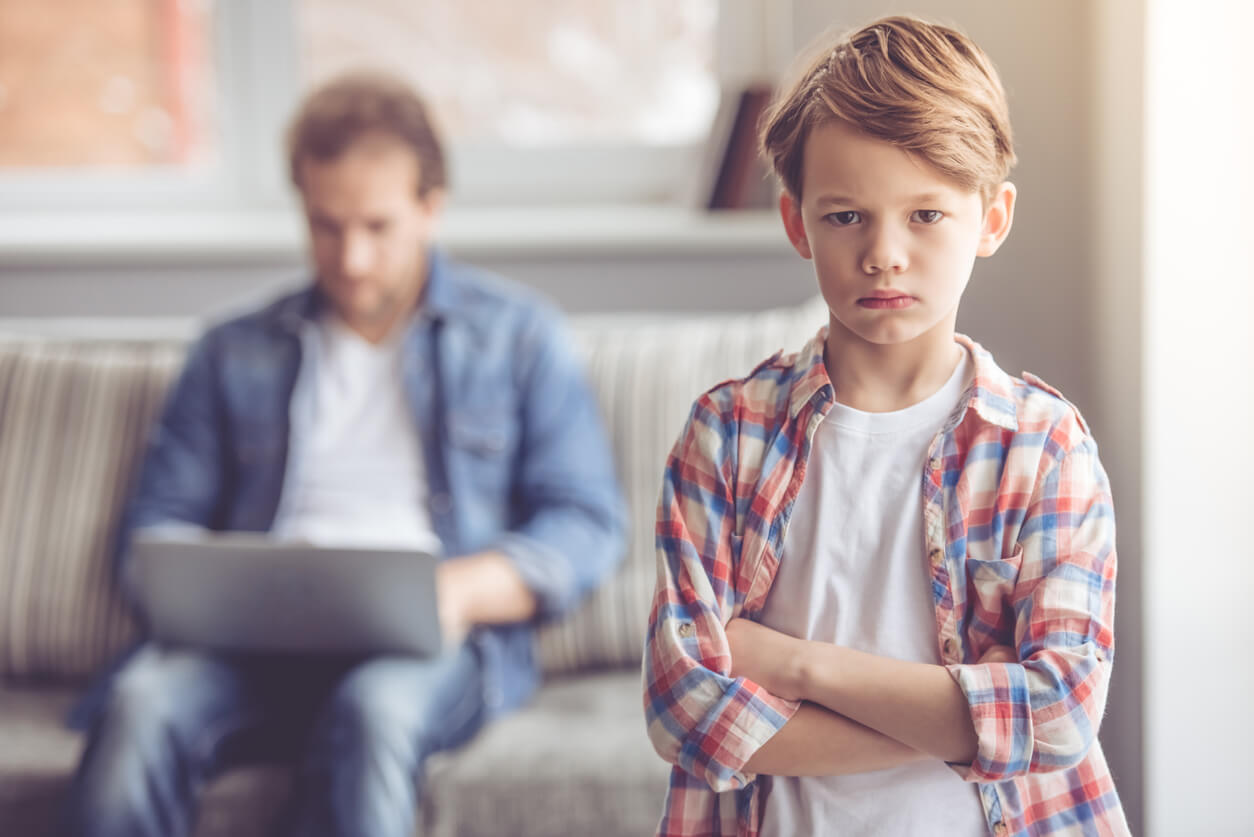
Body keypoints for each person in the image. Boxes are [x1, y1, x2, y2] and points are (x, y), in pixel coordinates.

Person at [63, 71, 625, 837]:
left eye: (376, 226)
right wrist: (204, 581)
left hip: (419, 645)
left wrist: (459, 590)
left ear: (432, 209)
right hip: (247, 645)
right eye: (326, 226)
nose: (351, 257)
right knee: (141, 705)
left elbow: (586, 520)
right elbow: (156, 526)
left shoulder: (519, 337)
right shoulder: (232, 351)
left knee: (376, 712)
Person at [643, 16, 1129, 837]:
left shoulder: (1044, 449)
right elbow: (684, 712)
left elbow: (1059, 714)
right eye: (846, 217)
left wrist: (799, 665)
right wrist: (963, 719)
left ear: (993, 218)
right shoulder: (724, 436)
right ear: (797, 222)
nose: (885, 253)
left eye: (926, 216)